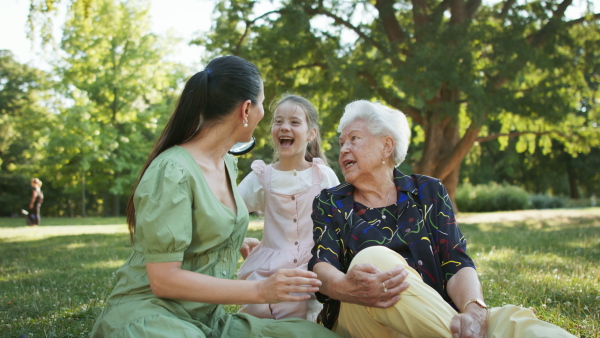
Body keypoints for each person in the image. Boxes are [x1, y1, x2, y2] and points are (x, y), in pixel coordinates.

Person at [90, 56, 339, 338]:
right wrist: (262, 290)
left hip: (208, 319)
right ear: (247, 109)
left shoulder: (226, 164)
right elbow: (163, 280)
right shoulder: (173, 171)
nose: (265, 117)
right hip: (151, 317)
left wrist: (232, 239)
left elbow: (202, 225)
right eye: (262, 104)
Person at [308, 100, 576, 337]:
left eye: (354, 138)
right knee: (374, 259)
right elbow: (322, 264)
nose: (343, 149)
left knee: (511, 320)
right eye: (341, 142)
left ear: (386, 146)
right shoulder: (330, 201)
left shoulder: (429, 191)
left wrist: (474, 311)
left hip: (431, 318)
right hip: (365, 322)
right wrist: (346, 286)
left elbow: (456, 261)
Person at [237, 94, 340, 321]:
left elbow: (340, 223)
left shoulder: (323, 176)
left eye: (294, 122)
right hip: (269, 267)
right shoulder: (262, 177)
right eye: (278, 121)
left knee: (302, 318)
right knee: (258, 318)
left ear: (311, 134)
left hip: (311, 267)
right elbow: (227, 212)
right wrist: (239, 240)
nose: (285, 127)